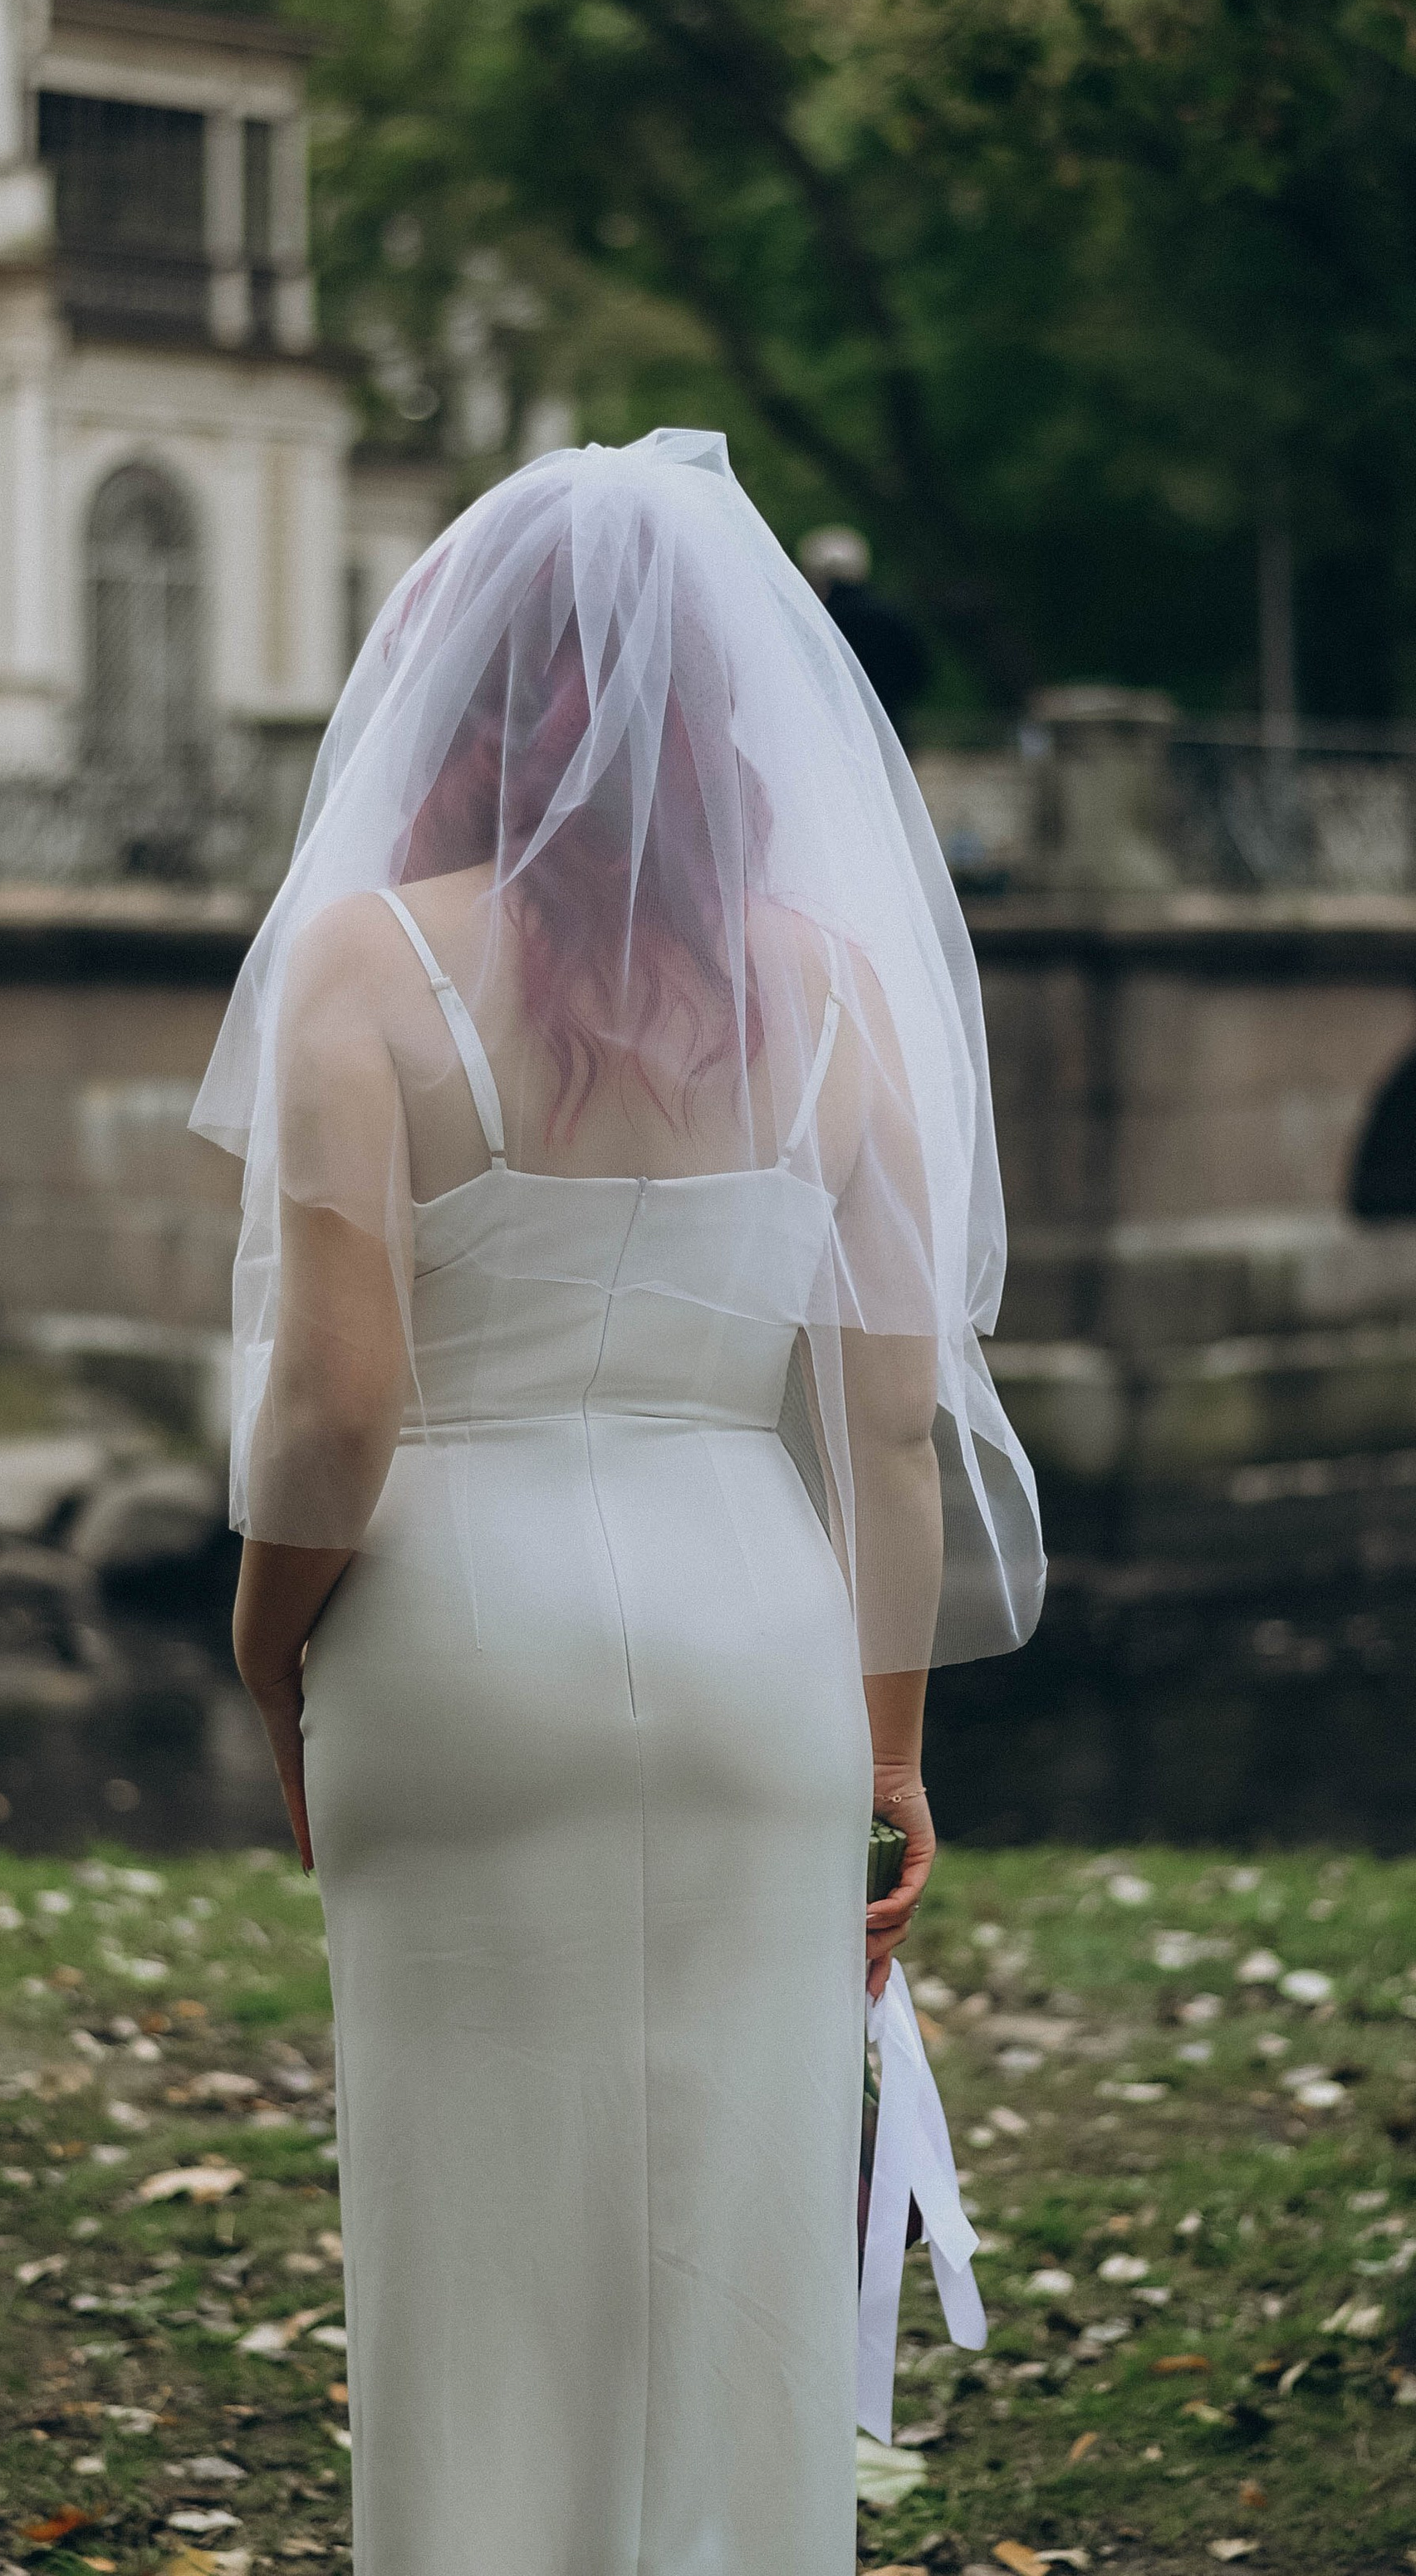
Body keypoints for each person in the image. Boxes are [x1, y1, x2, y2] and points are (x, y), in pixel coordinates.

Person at [193, 433, 1041, 2576]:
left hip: (458, 1640)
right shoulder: (840, 992)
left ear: (457, 693)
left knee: (477, 2241)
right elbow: (891, 1435)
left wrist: (264, 1635)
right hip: (757, 1636)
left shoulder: (370, 970)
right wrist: (893, 1756)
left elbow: (337, 1398)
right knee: (733, 2237)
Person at [800, 522, 933, 742]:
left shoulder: (817, 622)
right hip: (890, 726)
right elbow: (918, 672)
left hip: (831, 732)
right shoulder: (892, 616)